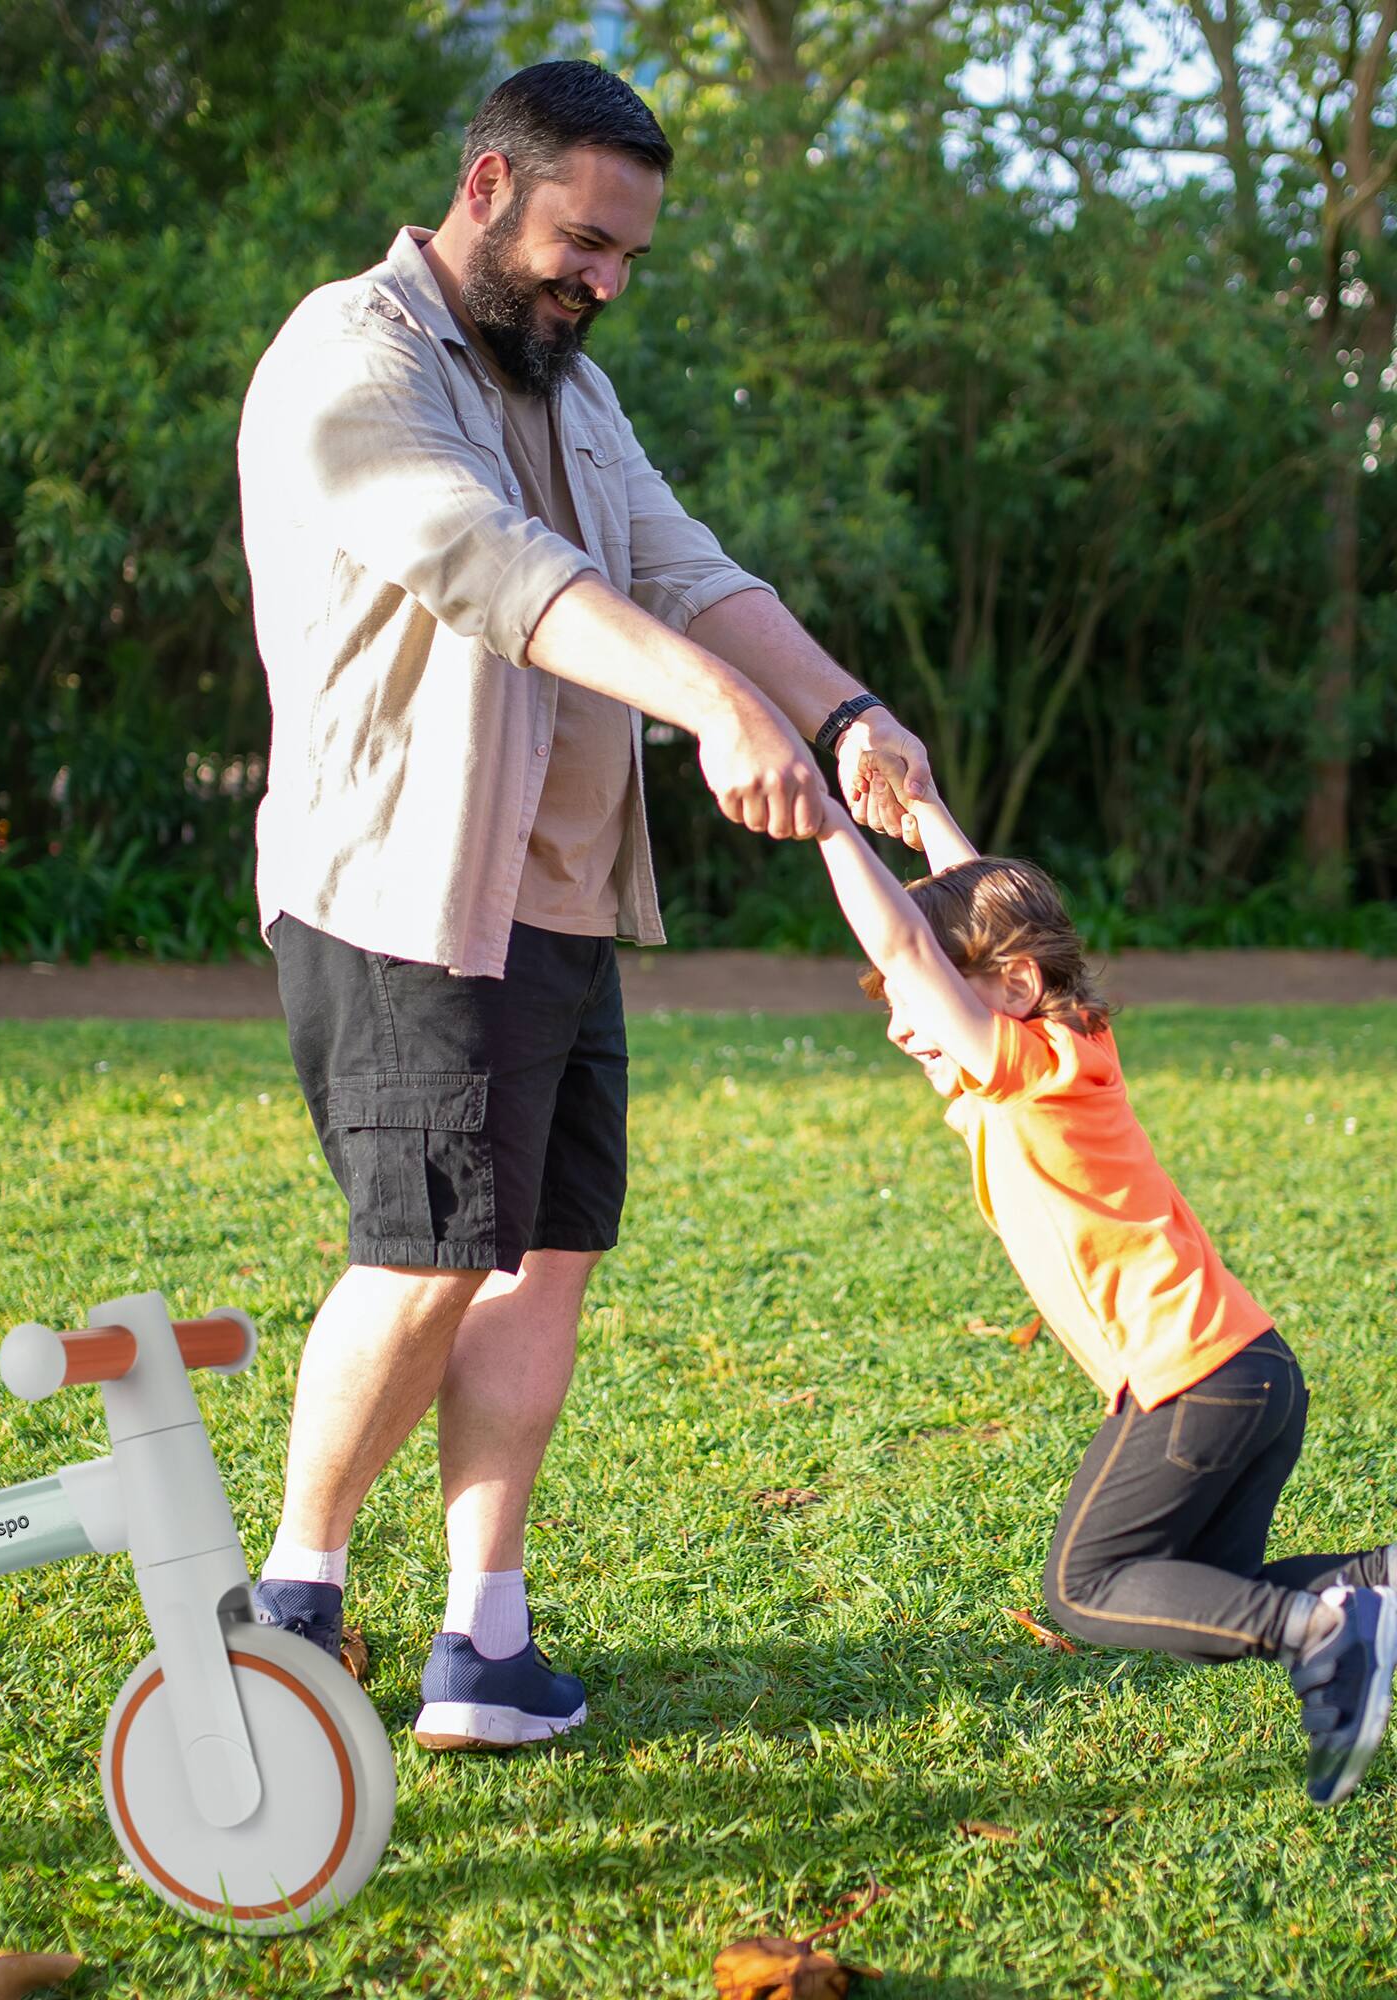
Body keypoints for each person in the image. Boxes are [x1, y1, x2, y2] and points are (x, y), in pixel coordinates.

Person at [236, 57, 936, 1751]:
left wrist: (840, 715)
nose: (606, 280)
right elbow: (489, 565)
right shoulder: (355, 354)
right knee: (421, 1258)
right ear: (489, 185)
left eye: (630, 255)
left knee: (546, 1257)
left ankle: (484, 1639)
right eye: (584, 240)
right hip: (403, 892)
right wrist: (713, 711)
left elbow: (679, 565)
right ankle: (288, 1609)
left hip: (553, 898)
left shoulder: (570, 385)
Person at [814, 784, 1397, 1804]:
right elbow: (977, 914)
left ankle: (1322, 1634)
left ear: (1009, 984)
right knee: (1204, 1592)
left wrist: (822, 819)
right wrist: (923, 811)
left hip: (1194, 1381)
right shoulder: (1059, 1050)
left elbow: (919, 947)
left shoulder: (1028, 1068)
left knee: (1082, 1587)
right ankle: (1371, 1587)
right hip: (1249, 1372)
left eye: (916, 994)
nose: (901, 1020)